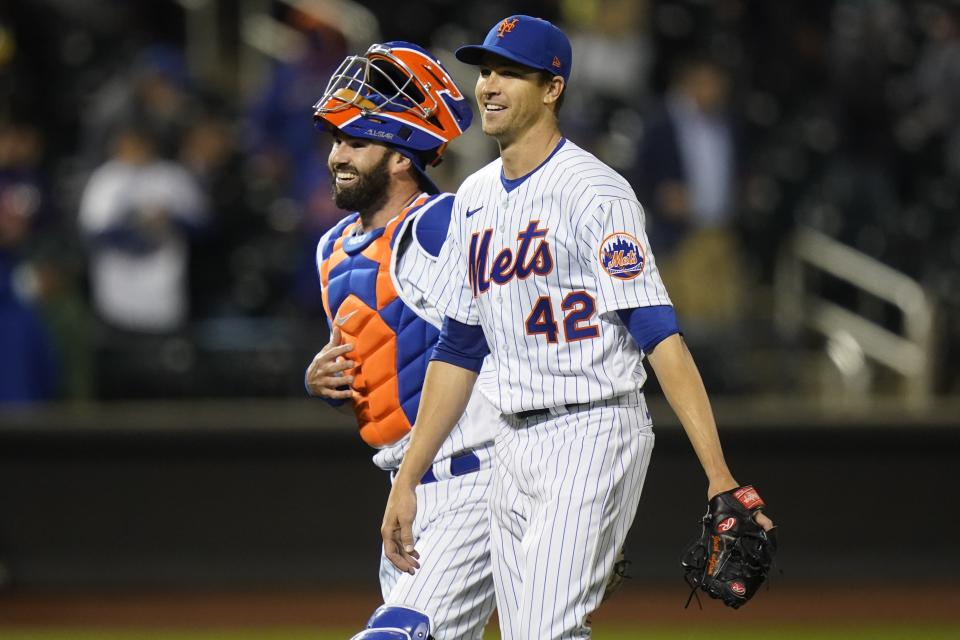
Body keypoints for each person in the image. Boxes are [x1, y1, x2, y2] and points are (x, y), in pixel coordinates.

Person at [379, 15, 775, 639]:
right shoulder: (475, 197)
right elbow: (458, 351)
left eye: (511, 73)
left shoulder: (595, 192)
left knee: (542, 632)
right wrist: (407, 479)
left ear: (552, 88)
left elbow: (659, 337)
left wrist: (719, 472)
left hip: (591, 429)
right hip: (507, 442)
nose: (489, 85)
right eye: (485, 70)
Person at [304, 42, 497, 640]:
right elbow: (386, 364)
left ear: (401, 158)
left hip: (473, 477)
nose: (337, 154)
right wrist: (324, 380)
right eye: (336, 139)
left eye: (355, 141)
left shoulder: (442, 223)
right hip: (404, 488)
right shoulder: (331, 247)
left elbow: (504, 338)